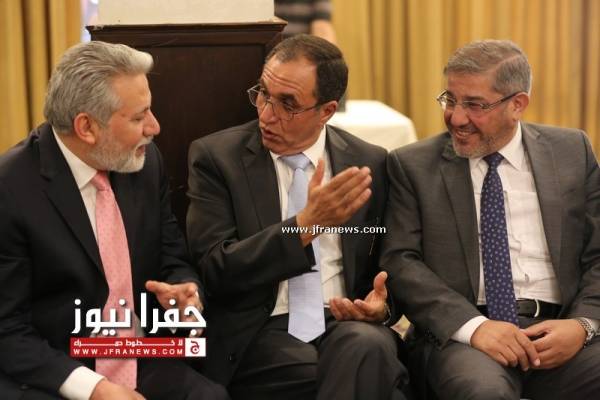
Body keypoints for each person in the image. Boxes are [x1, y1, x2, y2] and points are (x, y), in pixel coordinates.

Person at [0, 41, 228, 400]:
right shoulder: (11, 188)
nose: (154, 127)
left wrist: (184, 293)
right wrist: (95, 389)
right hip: (57, 369)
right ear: (87, 127)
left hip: (139, 354)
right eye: (139, 117)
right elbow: (7, 329)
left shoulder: (144, 161)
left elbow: (171, 256)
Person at [186, 34, 408, 400]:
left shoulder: (368, 162)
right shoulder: (218, 158)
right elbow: (216, 268)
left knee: (367, 344)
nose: (266, 114)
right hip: (262, 328)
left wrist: (382, 308)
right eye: (263, 94)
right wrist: (304, 226)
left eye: (287, 104)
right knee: (374, 375)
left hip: (345, 322)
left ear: (327, 110)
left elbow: (392, 265)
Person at [381, 39, 600, 400]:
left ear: (517, 104)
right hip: (465, 338)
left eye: (474, 105)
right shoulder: (413, 166)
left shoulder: (571, 151)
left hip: (559, 330)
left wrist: (583, 325)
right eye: (450, 99)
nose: (456, 117)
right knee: (482, 392)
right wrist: (475, 327)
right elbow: (400, 261)